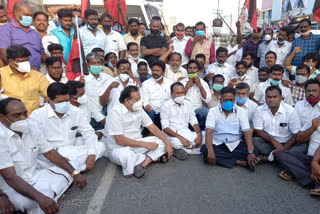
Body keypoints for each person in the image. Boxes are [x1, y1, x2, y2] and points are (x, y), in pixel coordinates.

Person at [0, 97, 87, 214]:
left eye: (25, 114)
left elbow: (50, 152)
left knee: (72, 167)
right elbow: (10, 177)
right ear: (2, 118)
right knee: (43, 199)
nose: (23, 119)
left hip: (34, 175)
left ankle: (45, 199)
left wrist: (75, 173)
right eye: (17, 116)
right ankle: (44, 200)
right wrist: (40, 198)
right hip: (11, 187)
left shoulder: (31, 125)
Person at [29, 83, 105, 172]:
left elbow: (88, 132)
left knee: (100, 145)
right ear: (49, 100)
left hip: (72, 148)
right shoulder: (37, 115)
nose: (64, 104)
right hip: (51, 152)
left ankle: (69, 168)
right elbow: (36, 144)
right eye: (60, 102)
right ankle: (77, 168)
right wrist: (59, 158)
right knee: (38, 159)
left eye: (66, 101)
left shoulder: (75, 111)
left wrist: (91, 154)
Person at [105, 86, 173, 178]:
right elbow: (119, 140)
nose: (140, 102)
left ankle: (143, 164)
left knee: (161, 141)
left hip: (137, 145)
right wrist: (145, 145)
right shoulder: (115, 112)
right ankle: (152, 158)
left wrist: (168, 144)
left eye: (140, 98)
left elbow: (153, 128)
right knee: (126, 155)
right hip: (119, 148)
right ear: (127, 100)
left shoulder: (139, 109)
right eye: (137, 99)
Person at [201, 86, 258, 170]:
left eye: (231, 100)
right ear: (221, 100)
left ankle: (220, 159)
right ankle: (239, 162)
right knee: (205, 149)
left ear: (234, 99)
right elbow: (209, 132)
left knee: (254, 151)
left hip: (235, 143)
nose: (229, 102)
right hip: (217, 143)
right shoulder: (213, 111)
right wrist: (210, 150)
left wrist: (250, 152)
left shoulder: (241, 112)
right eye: (226, 100)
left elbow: (246, 132)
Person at [253, 86, 306, 161]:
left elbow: (296, 133)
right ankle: (282, 157)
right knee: (255, 141)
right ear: (265, 98)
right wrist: (272, 140)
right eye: (269, 97)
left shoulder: (290, 111)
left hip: (288, 143)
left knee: (303, 146)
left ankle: (269, 157)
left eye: (275, 97)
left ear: (281, 97)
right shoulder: (259, 110)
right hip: (270, 144)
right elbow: (258, 131)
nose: (271, 100)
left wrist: (284, 148)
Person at [275, 108, 320, 195]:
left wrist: (315, 162)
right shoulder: (315, 116)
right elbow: (299, 139)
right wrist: (312, 128)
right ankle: (314, 179)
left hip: (317, 159)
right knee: (281, 154)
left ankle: (299, 173)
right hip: (309, 158)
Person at [0, 45, 50, 115]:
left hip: (33, 119)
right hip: (9, 120)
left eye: (27, 61)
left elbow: (50, 95)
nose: (25, 63)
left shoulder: (37, 76)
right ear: (11, 61)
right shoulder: (1, 74)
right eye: (21, 61)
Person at [161, 82, 203, 159]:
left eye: (182, 92)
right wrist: (181, 138)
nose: (180, 95)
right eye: (177, 93)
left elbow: (193, 120)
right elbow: (165, 128)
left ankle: (183, 148)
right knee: (177, 143)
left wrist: (199, 135)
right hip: (173, 134)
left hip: (186, 132)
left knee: (205, 137)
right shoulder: (165, 106)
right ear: (171, 94)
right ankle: (175, 148)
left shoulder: (188, 103)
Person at [0, 2, 47, 71]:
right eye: (26, 15)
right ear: (16, 13)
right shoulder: (5, 30)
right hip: (16, 74)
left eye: (31, 15)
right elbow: (3, 53)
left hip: (36, 74)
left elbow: (42, 54)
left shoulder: (35, 33)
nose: (29, 17)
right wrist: (21, 68)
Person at [76, 53, 112, 130]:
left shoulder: (107, 77)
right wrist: (80, 85)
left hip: (104, 113)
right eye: (93, 63)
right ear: (88, 64)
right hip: (89, 117)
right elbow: (75, 98)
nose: (96, 65)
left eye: (98, 63)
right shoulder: (81, 79)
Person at [180, 60, 211, 130]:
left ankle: (200, 131)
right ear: (187, 70)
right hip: (183, 112)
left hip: (197, 112)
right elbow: (177, 98)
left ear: (198, 70)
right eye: (190, 68)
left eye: (194, 68)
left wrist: (199, 85)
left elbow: (208, 100)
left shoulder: (203, 83)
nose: (192, 70)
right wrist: (187, 87)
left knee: (206, 112)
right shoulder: (181, 83)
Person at [142, 60, 172, 129]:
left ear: (163, 72)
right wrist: (147, 105)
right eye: (153, 70)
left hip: (165, 111)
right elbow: (145, 100)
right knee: (151, 114)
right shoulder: (146, 84)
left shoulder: (170, 83)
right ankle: (147, 133)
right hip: (152, 111)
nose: (155, 72)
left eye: (158, 71)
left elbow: (172, 98)